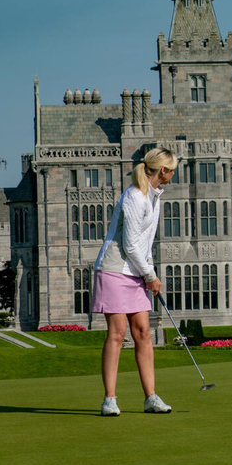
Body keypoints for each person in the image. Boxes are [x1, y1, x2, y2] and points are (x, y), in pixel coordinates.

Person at [92, 147, 178, 416]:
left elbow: (145, 242)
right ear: (162, 171)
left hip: (136, 271)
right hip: (115, 269)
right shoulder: (134, 197)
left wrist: (148, 272)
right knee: (117, 334)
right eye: (172, 169)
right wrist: (150, 276)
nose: (174, 173)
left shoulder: (155, 197)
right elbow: (129, 244)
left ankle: (151, 397)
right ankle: (110, 399)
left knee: (143, 332)